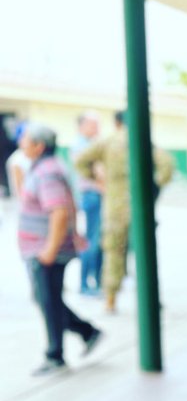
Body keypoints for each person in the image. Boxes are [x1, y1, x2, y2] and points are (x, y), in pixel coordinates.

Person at [17, 124, 102, 375]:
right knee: (46, 299)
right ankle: (86, 332)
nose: (21, 144)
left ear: (39, 146)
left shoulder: (47, 172)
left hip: (46, 251)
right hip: (43, 248)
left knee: (48, 300)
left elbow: (60, 211)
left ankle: (56, 354)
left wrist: (50, 249)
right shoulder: (44, 168)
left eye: (26, 140)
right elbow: (68, 205)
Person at [74, 110, 174, 312]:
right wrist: (152, 188)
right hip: (140, 207)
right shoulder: (143, 140)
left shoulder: (107, 141)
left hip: (114, 206)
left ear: (117, 123)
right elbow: (167, 165)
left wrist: (96, 178)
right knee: (145, 253)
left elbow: (80, 161)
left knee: (113, 252)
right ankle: (150, 298)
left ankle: (110, 299)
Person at [71, 111, 104, 294]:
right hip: (91, 195)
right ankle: (85, 284)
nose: (97, 129)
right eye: (93, 125)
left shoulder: (93, 145)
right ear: (81, 126)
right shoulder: (81, 146)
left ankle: (97, 281)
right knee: (92, 239)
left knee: (98, 240)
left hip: (97, 195)